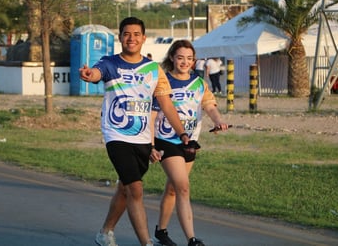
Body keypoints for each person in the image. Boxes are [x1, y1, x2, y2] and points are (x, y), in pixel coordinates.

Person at [79, 17, 190, 246]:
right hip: (116, 135)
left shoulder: (154, 70)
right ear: (120, 37)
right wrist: (90, 75)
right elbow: (97, 73)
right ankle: (146, 243)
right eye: (126, 34)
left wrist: (182, 134)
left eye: (136, 34)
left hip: (142, 138)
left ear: (143, 38)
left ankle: (105, 231)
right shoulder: (109, 63)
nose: (131, 38)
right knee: (136, 189)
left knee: (125, 189)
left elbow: (166, 105)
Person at [150, 40, 229, 246]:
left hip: (190, 142)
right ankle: (192, 239)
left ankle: (161, 232)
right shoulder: (162, 82)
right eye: (180, 57)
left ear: (194, 61)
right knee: (183, 187)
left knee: (173, 189)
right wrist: (150, 143)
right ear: (172, 58)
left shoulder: (199, 84)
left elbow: (209, 106)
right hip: (166, 140)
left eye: (189, 58)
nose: (184, 62)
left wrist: (218, 121)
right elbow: (153, 113)